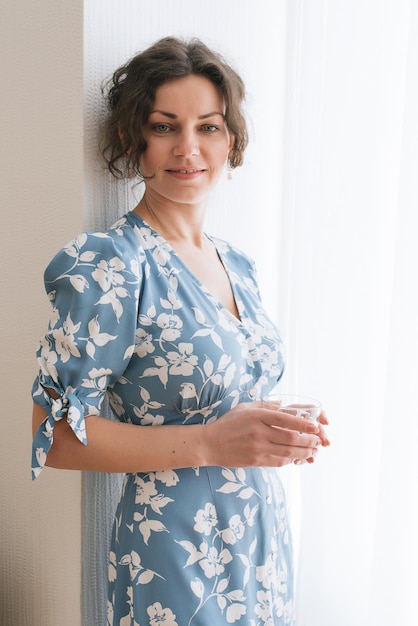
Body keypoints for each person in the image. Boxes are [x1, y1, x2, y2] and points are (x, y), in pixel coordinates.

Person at [31, 36, 329, 626]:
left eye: (209, 127)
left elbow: (219, 400)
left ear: (232, 140)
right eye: (165, 126)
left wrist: (277, 425)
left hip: (259, 541)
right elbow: (52, 433)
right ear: (130, 138)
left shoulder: (235, 263)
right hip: (173, 553)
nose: (188, 148)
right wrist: (210, 443)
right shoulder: (112, 265)